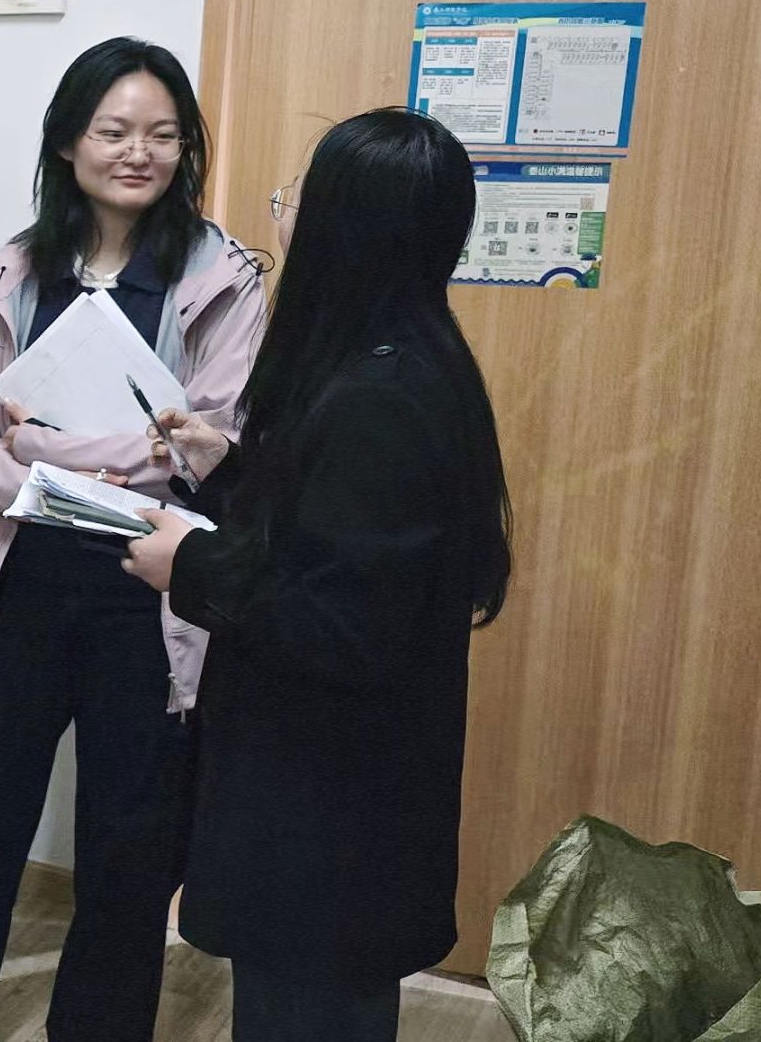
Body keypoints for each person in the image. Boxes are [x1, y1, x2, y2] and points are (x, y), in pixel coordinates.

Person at [0, 37, 268, 1041]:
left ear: (186, 150)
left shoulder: (222, 280)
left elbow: (211, 440)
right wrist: (44, 474)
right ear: (66, 142)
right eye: (113, 130)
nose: (138, 152)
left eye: (162, 135)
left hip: (151, 594)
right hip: (24, 584)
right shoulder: (14, 274)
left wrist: (38, 442)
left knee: (129, 849)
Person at [123, 107, 514, 1041]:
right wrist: (227, 467)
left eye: (297, 198)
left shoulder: (381, 397)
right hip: (339, 812)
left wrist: (189, 564)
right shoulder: (397, 361)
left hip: (327, 818)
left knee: (305, 1012)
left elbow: (343, 624)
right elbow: (332, 535)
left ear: (347, 227)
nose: (283, 213)